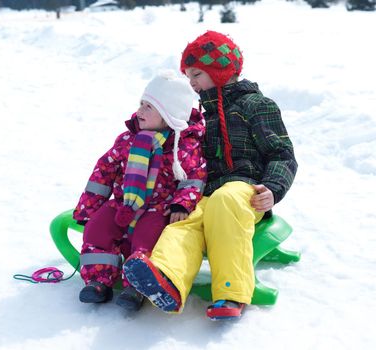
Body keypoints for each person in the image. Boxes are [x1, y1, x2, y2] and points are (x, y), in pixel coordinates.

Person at [123, 30, 298, 320]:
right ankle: (168, 279)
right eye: (188, 76)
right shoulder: (199, 114)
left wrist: (273, 187)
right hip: (207, 191)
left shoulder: (256, 106)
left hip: (247, 191)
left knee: (225, 201)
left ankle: (231, 290)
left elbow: (282, 153)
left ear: (220, 71)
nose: (191, 83)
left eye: (197, 74)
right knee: (184, 221)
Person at [73, 70, 207, 312]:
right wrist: (89, 208)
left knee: (147, 240)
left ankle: (136, 285)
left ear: (169, 116)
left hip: (157, 209)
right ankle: (98, 279)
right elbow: (103, 172)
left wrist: (181, 204)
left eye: (149, 107)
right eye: (141, 104)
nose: (140, 112)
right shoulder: (128, 140)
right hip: (123, 204)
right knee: (97, 229)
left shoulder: (182, 148)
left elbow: (194, 179)